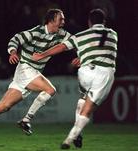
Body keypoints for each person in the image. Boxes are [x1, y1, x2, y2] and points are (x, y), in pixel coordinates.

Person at [0, 8, 73, 145]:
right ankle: (26, 120)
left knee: (4, 106)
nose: (64, 21)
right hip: (26, 68)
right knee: (50, 90)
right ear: (51, 21)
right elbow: (16, 39)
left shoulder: (61, 34)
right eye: (61, 19)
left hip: (31, 72)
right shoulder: (35, 32)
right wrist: (13, 52)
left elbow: (75, 41)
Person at [32, 8, 118, 149]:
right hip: (104, 74)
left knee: (82, 100)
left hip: (85, 72)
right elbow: (105, 50)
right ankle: (69, 139)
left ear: (89, 22)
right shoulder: (113, 34)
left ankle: (78, 134)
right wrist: (84, 56)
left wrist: (41, 55)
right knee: (88, 109)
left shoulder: (80, 36)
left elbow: (61, 47)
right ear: (104, 21)